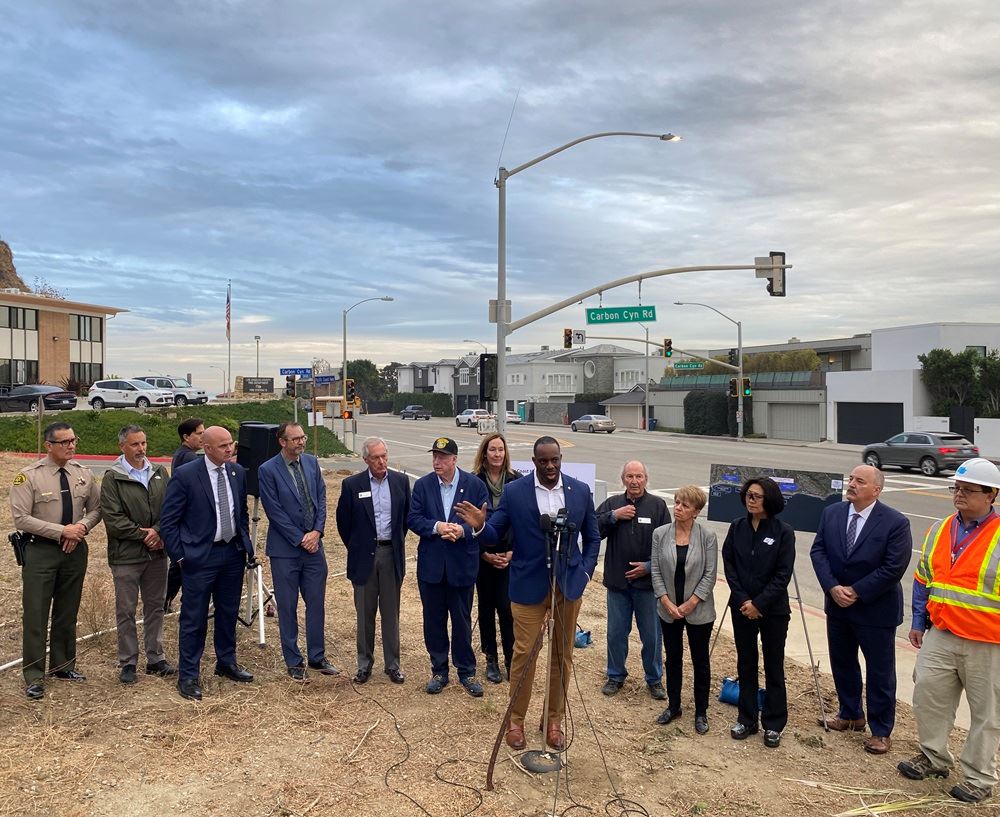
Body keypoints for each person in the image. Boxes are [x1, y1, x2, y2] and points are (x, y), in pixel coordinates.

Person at [457, 436, 601, 752]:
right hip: (528, 584)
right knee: (524, 655)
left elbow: (592, 537)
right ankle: (516, 721)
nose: (550, 467)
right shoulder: (515, 492)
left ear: (560, 459)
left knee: (562, 656)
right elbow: (496, 532)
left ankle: (553, 721)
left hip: (568, 585)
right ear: (534, 462)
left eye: (555, 460)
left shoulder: (579, 491)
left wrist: (586, 572)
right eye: (543, 461)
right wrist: (481, 527)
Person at [898, 457, 1000, 803]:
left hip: (989, 642)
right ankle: (933, 757)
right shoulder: (940, 528)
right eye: (956, 488)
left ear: (991, 495)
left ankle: (979, 778)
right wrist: (917, 621)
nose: (959, 495)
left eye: (968, 490)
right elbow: (923, 577)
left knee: (986, 713)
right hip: (942, 633)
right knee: (928, 696)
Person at [810, 464, 911, 755]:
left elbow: (893, 568)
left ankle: (881, 731)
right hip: (838, 605)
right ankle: (851, 713)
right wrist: (832, 587)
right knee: (842, 662)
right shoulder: (832, 513)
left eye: (860, 481)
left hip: (875, 610)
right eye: (851, 479)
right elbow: (818, 551)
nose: (851, 484)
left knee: (880, 672)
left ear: (876, 490)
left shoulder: (895, 523)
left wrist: (856, 591)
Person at [160, 425, 255, 701]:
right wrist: (180, 556)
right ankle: (188, 675)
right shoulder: (186, 476)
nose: (230, 449)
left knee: (228, 612)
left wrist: (244, 544)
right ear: (208, 448)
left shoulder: (237, 474)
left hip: (231, 555)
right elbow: (169, 522)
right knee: (194, 618)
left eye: (231, 444)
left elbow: (242, 513)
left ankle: (226, 662)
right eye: (223, 446)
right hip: (199, 558)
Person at [10, 422, 101, 700]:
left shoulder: (83, 473)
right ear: (49, 445)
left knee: (67, 610)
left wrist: (80, 529)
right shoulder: (28, 477)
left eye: (73, 440)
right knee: (36, 614)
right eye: (64, 442)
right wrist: (63, 530)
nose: (71, 446)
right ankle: (34, 675)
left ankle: (63, 665)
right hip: (41, 551)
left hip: (74, 550)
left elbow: (96, 509)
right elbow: (21, 518)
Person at [407, 436, 490, 696]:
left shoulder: (474, 486)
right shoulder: (422, 486)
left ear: (454, 459)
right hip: (432, 566)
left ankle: (466, 671)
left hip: (461, 564)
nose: (437, 461)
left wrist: (462, 531)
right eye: (434, 457)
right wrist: (437, 527)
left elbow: (483, 520)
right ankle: (439, 670)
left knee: (462, 620)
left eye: (442, 457)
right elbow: (413, 518)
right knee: (434, 620)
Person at [258, 422, 337, 681]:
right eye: (295, 439)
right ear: (282, 442)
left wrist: (317, 532)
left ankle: (317, 656)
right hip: (285, 551)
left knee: (316, 604)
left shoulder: (312, 463)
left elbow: (321, 500)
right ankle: (293, 660)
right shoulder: (268, 470)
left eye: (302, 437)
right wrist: (300, 538)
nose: (301, 442)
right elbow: (274, 512)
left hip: (315, 547)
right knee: (288, 607)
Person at [721, 477, 795, 747]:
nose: (750, 500)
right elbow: (729, 564)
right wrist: (744, 601)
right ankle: (747, 718)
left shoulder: (783, 532)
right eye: (748, 495)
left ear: (769, 500)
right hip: (741, 608)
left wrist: (759, 604)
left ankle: (774, 724)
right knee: (746, 663)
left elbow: (782, 574)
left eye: (757, 496)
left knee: (773, 666)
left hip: (772, 611)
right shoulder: (737, 527)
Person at [100, 424, 175, 685]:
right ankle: (128, 662)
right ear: (122, 446)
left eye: (143, 443)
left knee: (155, 607)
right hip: (127, 556)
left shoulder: (159, 472)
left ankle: (156, 658)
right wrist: (144, 535)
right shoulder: (112, 477)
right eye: (135, 444)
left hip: (157, 554)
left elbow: (170, 508)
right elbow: (112, 518)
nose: (141, 449)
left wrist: (158, 531)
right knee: (126, 610)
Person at [336, 436, 411, 684]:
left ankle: (393, 665)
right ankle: (364, 664)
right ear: (366, 459)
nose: (381, 462)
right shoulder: (352, 485)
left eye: (384, 456)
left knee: (391, 614)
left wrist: (393, 544)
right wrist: (359, 547)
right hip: (364, 557)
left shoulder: (401, 482)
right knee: (364, 615)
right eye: (376, 458)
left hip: (391, 555)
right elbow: (343, 523)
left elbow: (405, 520)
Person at [597, 460, 670, 700]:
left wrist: (648, 567)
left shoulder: (657, 506)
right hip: (618, 583)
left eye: (639, 476)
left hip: (648, 585)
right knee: (616, 633)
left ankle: (654, 679)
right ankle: (615, 675)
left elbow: (669, 546)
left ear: (646, 479)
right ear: (623, 479)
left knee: (651, 636)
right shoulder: (612, 504)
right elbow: (593, 529)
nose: (634, 481)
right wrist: (613, 516)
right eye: (630, 476)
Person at [651, 485, 716, 734]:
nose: (678, 508)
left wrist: (691, 603)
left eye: (684, 505)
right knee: (673, 658)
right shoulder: (660, 534)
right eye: (677, 502)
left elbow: (710, 574)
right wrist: (666, 601)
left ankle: (701, 712)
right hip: (668, 609)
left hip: (698, 610)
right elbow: (656, 570)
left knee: (700, 661)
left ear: (696, 511)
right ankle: (674, 705)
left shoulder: (707, 536)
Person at [472, 433, 521, 683]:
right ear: (484, 453)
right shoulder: (474, 482)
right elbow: (468, 521)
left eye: (501, 450)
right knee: (486, 607)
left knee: (507, 608)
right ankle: (490, 658)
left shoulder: (516, 481)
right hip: (483, 556)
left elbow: (525, 522)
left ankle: (512, 658)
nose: (497, 454)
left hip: (509, 556)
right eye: (492, 449)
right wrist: (484, 554)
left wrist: (512, 553)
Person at [165, 417, 204, 612]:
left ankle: (166, 599)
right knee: (181, 563)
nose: (202, 437)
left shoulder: (183, 453)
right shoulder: (188, 457)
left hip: (183, 514)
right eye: (199, 433)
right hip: (188, 517)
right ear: (186, 436)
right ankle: (167, 599)